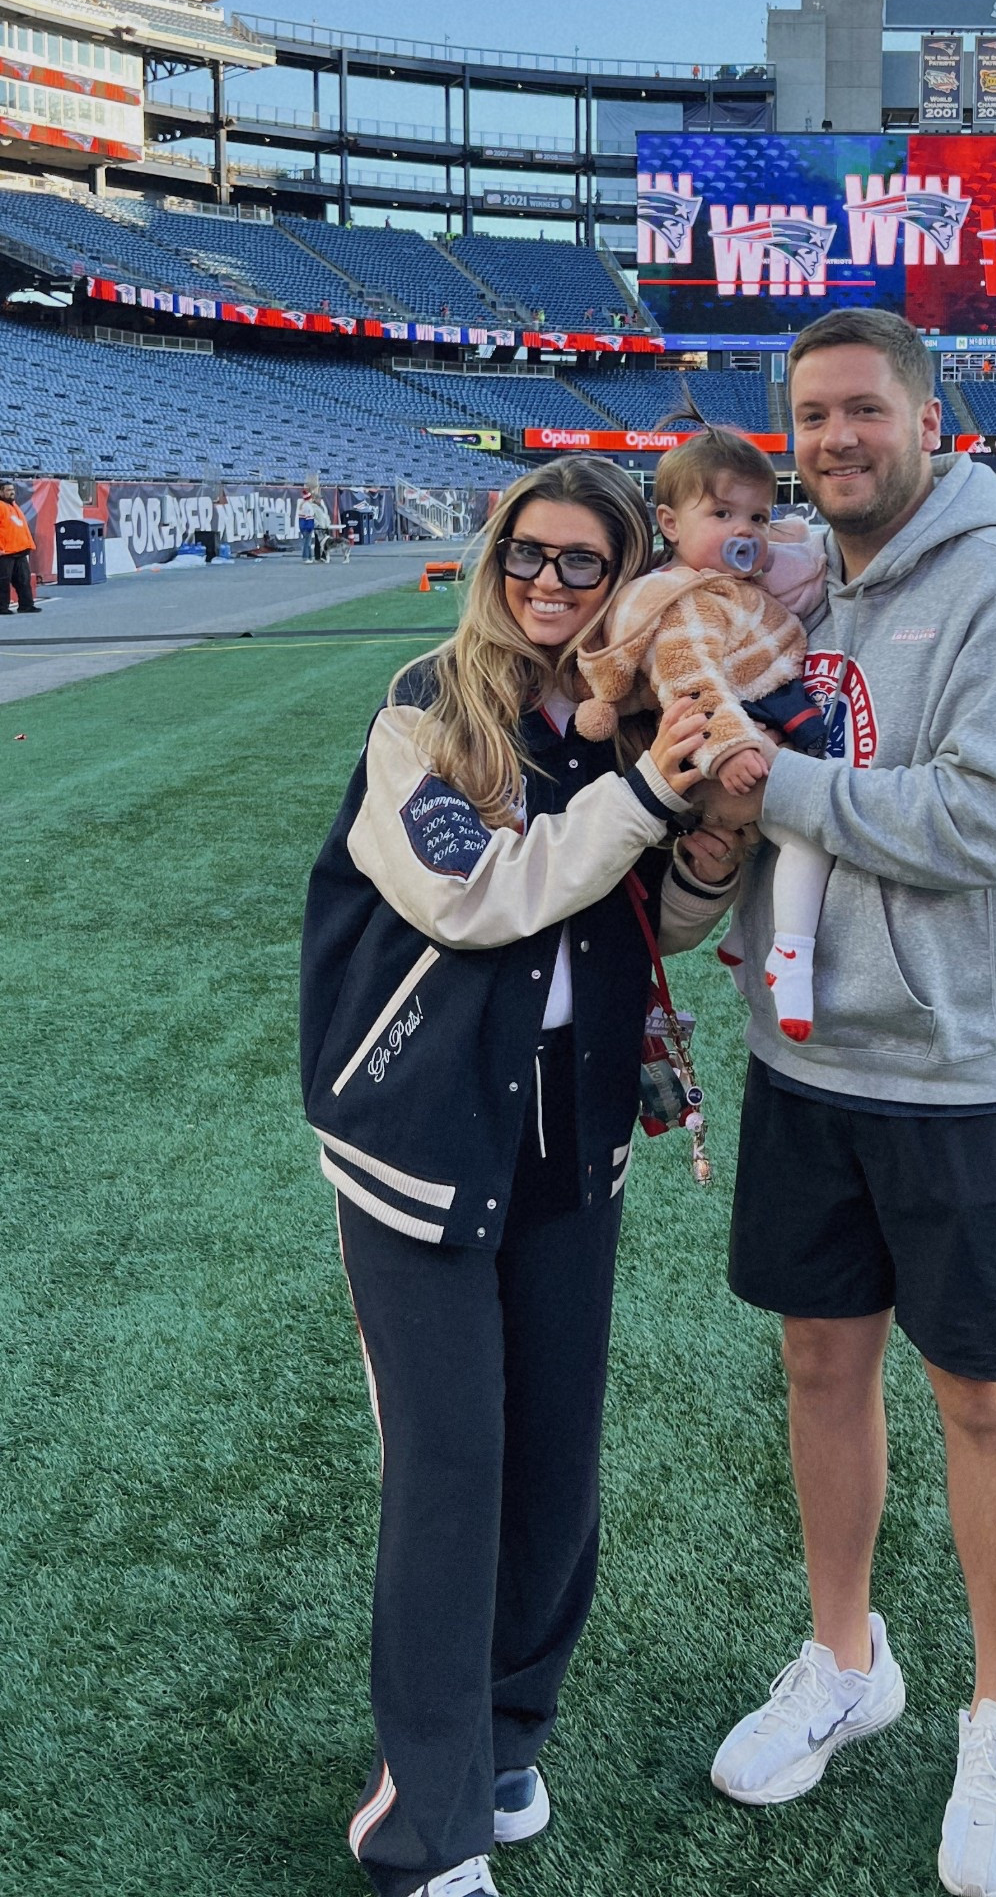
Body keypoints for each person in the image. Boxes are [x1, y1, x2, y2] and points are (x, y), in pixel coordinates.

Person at [298, 457, 736, 1897]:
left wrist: (713, 831)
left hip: (571, 1127)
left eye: (584, 566)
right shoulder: (430, 705)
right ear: (496, 560)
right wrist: (651, 791)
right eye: (529, 558)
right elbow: (475, 898)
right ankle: (420, 1828)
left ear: (625, 580)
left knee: (553, 1466)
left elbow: (641, 915)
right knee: (451, 1473)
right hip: (421, 1129)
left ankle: (501, 1733)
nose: (549, 587)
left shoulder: (618, 716)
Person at [706, 308, 996, 1897]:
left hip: (964, 1067)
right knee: (819, 1364)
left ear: (929, 421)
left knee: (983, 1395)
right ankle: (846, 1654)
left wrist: (765, 774)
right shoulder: (805, 584)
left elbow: (985, 821)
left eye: (864, 410)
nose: (833, 440)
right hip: (808, 1055)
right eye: (810, 415)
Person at [573, 424, 831, 1037]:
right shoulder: (685, 600)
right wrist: (731, 748)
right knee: (809, 832)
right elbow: (691, 682)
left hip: (758, 720)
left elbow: (801, 552)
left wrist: (782, 535)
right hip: (738, 734)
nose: (745, 531)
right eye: (722, 513)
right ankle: (790, 953)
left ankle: (745, 936)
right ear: (669, 523)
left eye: (759, 517)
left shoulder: (723, 581)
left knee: (760, 842)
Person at [0, 478, 38, 613]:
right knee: (3, 582)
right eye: (8, 490)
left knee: (23, 580)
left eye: (12, 490)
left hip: (20, 550)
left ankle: (26, 605)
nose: (12, 492)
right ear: (0, 492)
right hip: (5, 552)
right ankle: (1, 607)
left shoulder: (13, 505)